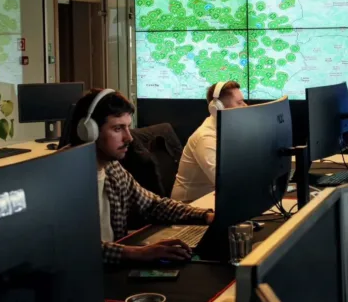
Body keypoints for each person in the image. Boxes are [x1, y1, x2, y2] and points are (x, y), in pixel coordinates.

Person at [68, 88, 214, 265]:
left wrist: (205, 216)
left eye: (128, 127)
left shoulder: (112, 169)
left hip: (114, 267)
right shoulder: (64, 181)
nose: (129, 138)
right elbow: (73, 247)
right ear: (89, 131)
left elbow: (153, 205)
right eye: (117, 128)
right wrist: (137, 253)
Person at [171, 81, 247, 202]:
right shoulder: (205, 138)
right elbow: (225, 182)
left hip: (214, 197)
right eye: (239, 102)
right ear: (218, 108)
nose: (245, 106)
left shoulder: (230, 128)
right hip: (190, 204)